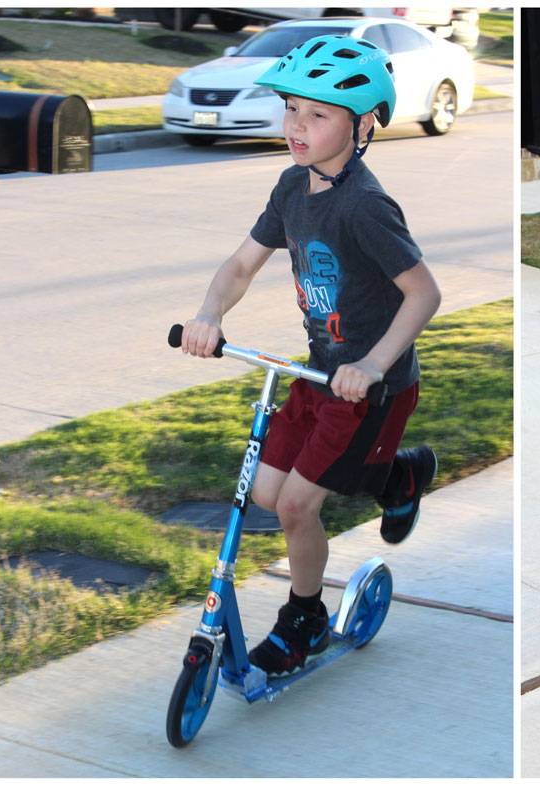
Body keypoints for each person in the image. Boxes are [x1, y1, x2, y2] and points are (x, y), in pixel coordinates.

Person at [178, 35, 442, 677]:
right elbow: (242, 264)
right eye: (293, 108)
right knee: (268, 493)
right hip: (319, 375)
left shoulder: (366, 206)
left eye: (318, 114)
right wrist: (210, 314)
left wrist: (374, 365)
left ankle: (305, 618)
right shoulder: (292, 187)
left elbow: (424, 294)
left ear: (364, 123)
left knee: (299, 505)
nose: (297, 125)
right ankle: (395, 477)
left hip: (371, 386)